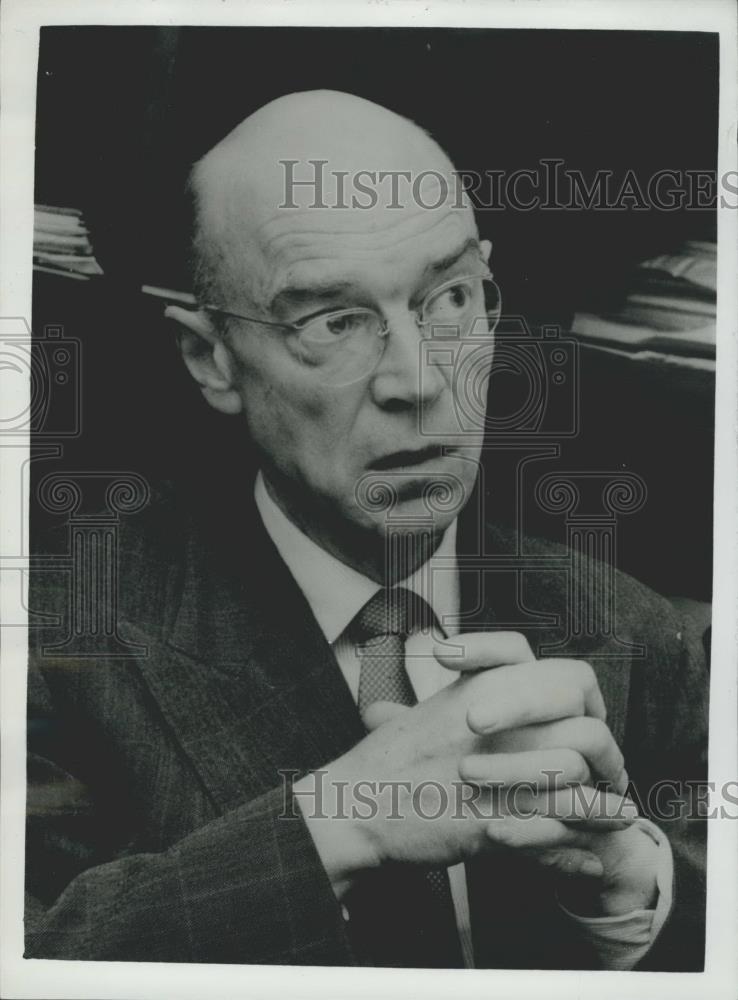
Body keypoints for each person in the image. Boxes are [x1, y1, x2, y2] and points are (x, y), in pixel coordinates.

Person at [25, 90, 708, 970]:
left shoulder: (643, 635)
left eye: (450, 297)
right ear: (212, 358)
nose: (418, 380)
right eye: (336, 322)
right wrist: (335, 825)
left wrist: (628, 892)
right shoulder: (57, 649)